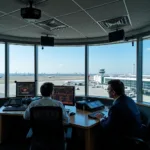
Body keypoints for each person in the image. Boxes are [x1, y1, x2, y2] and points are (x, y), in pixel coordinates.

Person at [95, 80, 143, 149]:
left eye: (108, 89)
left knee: (99, 131)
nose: (107, 90)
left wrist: (101, 118)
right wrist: (108, 117)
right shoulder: (129, 99)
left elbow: (107, 127)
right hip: (138, 131)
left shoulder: (116, 107)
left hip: (127, 137)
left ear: (113, 92)